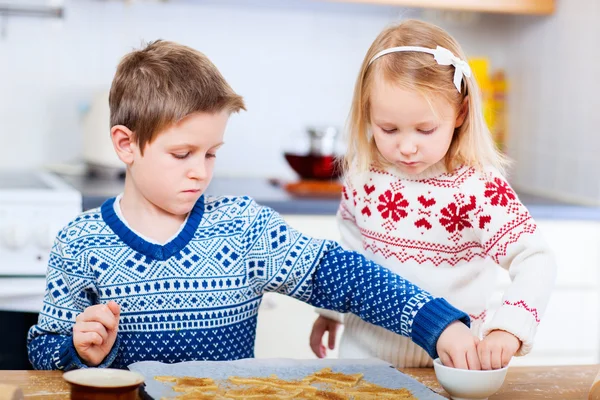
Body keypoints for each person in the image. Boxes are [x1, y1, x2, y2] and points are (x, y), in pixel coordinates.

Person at [27, 39, 477, 371]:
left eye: (211, 153)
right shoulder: (80, 241)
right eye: (182, 154)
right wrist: (77, 350)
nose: (200, 171)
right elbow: (45, 353)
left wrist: (437, 323)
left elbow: (344, 276)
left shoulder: (244, 229)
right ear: (126, 144)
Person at [310, 19, 556, 370]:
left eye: (425, 129)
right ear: (367, 113)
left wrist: (509, 329)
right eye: (388, 128)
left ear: (460, 113)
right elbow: (351, 255)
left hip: (450, 364)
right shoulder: (363, 175)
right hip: (362, 358)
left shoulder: (478, 187)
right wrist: (330, 311)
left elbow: (536, 258)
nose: (407, 146)